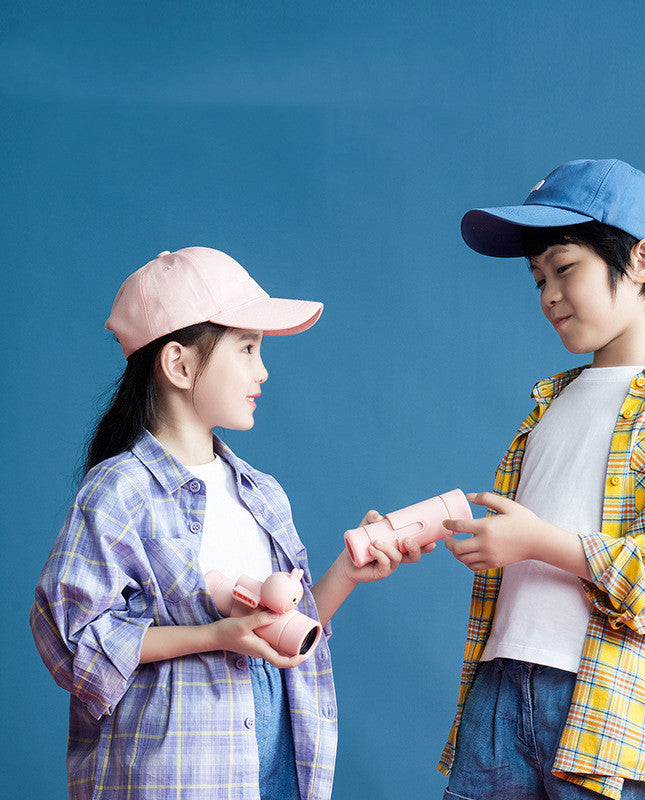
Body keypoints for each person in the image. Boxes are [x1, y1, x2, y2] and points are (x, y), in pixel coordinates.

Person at [30, 246, 430, 800]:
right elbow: (71, 640)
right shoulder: (118, 491)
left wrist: (346, 573)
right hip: (179, 766)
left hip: (277, 748)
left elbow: (278, 629)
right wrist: (212, 636)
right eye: (246, 348)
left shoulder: (262, 493)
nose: (262, 371)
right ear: (179, 364)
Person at [437, 159, 645, 800]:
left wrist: (537, 543)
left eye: (564, 269)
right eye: (537, 279)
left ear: (641, 261)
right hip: (501, 684)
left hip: (609, 706)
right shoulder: (549, 404)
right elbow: (519, 540)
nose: (547, 294)